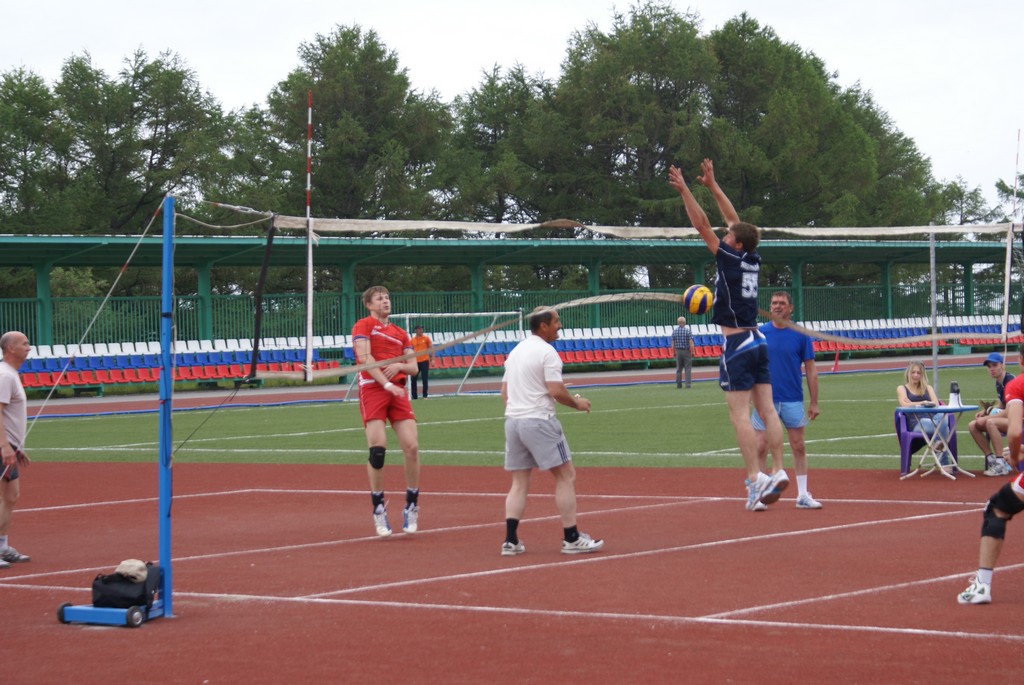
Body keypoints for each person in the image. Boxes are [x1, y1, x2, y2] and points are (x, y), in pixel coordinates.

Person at [668, 158, 788, 511]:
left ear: (736, 245)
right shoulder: (752, 257)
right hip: (758, 340)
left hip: (737, 342)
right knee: (767, 411)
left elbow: (702, 224)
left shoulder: (730, 258)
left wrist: (686, 190)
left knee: (739, 414)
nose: (725, 234)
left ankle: (755, 478)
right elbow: (734, 221)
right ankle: (778, 471)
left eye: (728, 236)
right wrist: (713, 185)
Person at [501, 307, 603, 556]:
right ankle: (571, 537)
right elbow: (556, 390)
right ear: (543, 325)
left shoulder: (516, 351)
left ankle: (510, 541)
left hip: (513, 421)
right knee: (566, 475)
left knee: (519, 482)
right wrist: (577, 403)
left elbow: (505, 394)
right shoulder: (548, 353)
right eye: (556, 322)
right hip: (539, 421)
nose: (560, 326)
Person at [351, 286, 421, 537]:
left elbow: (413, 367)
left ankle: (412, 504)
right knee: (377, 449)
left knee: (411, 447)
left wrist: (399, 365)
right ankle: (378, 508)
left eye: (387, 297)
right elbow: (366, 359)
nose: (385, 301)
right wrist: (386, 382)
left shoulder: (401, 333)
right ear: (369, 305)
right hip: (373, 388)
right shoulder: (363, 326)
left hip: (398, 390)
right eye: (379, 298)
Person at [957, 371, 1024, 604]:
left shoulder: (1018, 385)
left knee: (996, 508)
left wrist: (1015, 456)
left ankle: (982, 585)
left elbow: (1014, 431)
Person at [752, 291, 822, 509]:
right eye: (774, 303)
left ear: (790, 308)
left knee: (798, 445)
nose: (778, 306)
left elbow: (811, 370)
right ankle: (759, 494)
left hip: (792, 397)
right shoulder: (760, 333)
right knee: (761, 446)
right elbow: (751, 367)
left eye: (782, 303)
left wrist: (814, 401)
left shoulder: (800, 335)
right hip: (765, 400)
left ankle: (802, 495)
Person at [0, 331, 32, 569]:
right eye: (24, 343)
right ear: (10, 348)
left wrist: (17, 447)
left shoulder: (11, 374)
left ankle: (2, 546)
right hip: (2, 446)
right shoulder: (4, 375)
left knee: (11, 497)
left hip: (10, 446)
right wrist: (4, 445)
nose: (28, 347)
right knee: (3, 497)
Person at [896, 360, 954, 467]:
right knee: (944, 428)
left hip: (933, 420)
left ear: (922, 375)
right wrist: (923, 403)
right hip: (917, 424)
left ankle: (937, 444)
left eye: (918, 373)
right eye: (913, 372)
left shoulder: (928, 388)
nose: (916, 375)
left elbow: (936, 404)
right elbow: (904, 405)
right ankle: (944, 463)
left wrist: (913, 403)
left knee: (944, 416)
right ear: (908, 373)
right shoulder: (902, 388)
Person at [968, 352, 1015, 476]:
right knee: (973, 425)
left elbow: (1010, 411)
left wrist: (988, 417)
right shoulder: (999, 382)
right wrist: (985, 411)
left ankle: (1000, 464)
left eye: (994, 365)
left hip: (1018, 421)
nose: (991, 369)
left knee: (990, 422)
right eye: (989, 366)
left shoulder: (1010, 382)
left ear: (1002, 365)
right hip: (1010, 418)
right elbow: (1002, 403)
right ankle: (992, 460)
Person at [409, 325, 433, 400]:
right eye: (419, 329)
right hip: (416, 362)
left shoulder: (426, 338)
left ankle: (425, 395)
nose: (421, 330)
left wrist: (432, 359)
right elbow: (410, 349)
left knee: (424, 379)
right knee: (413, 379)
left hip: (424, 361)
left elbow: (431, 349)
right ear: (415, 330)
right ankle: (414, 396)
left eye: (422, 329)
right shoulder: (412, 340)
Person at [672, 316, 695, 389]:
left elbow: (673, 343)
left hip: (678, 351)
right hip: (686, 351)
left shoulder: (675, 331)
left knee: (679, 369)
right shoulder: (688, 331)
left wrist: (674, 351)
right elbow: (690, 342)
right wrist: (693, 351)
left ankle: (679, 384)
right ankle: (688, 384)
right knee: (687, 368)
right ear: (684, 322)